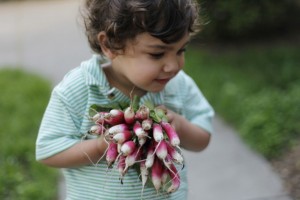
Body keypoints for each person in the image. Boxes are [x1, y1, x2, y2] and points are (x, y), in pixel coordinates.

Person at [36, 0, 214, 199]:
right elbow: (48, 152)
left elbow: (203, 138)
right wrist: (99, 147)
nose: (173, 65)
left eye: (181, 50)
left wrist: (179, 126)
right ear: (109, 44)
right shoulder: (79, 89)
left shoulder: (177, 85)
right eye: (157, 54)